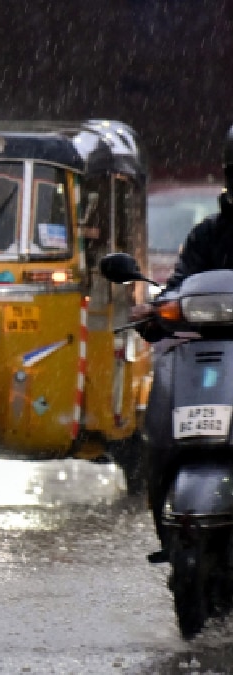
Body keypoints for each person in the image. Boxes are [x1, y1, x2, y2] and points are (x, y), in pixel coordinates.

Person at [134, 123, 233, 564]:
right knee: (159, 431)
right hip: (208, 357)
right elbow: (179, 284)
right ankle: (167, 526)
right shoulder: (207, 235)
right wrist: (156, 311)